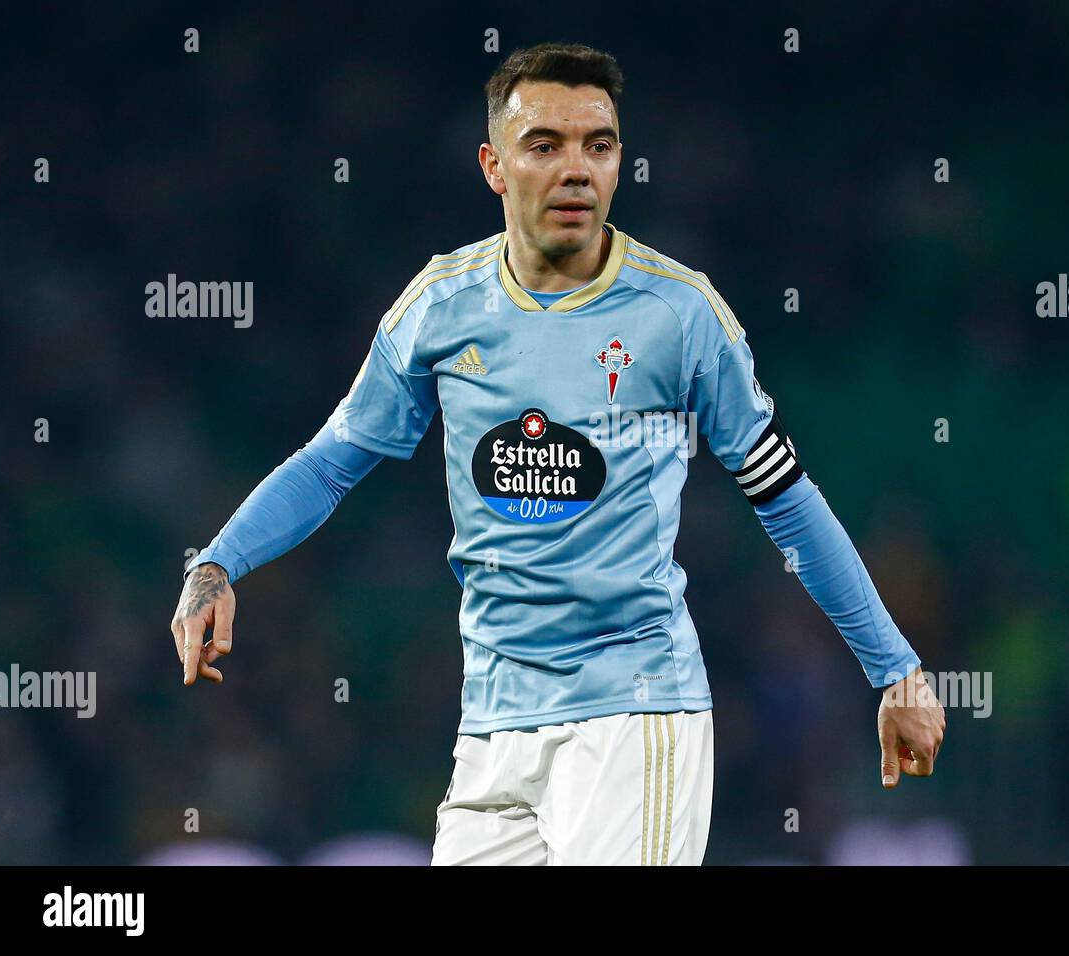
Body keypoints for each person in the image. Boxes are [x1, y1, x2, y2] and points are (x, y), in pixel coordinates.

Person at [170, 41, 945, 866]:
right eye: (545, 145)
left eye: (598, 146)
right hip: (493, 730)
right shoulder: (440, 308)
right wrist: (217, 565)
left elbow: (785, 496)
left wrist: (894, 670)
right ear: (494, 166)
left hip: (635, 718)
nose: (576, 169)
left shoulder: (679, 315)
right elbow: (330, 462)